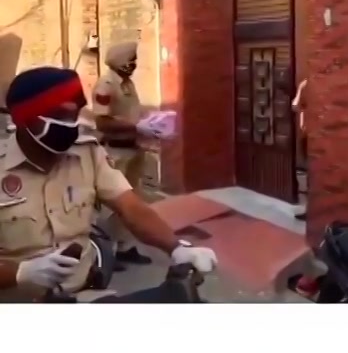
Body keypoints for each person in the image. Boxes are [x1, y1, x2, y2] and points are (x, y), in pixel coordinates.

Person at [0, 66, 217, 303]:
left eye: (74, 116)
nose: (71, 125)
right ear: (25, 119)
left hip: (84, 296)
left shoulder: (87, 154)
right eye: (59, 116)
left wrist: (177, 248)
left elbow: (131, 208)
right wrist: (21, 273)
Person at [91, 40, 151, 267]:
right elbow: (102, 122)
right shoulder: (105, 85)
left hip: (133, 148)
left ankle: (125, 247)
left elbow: (131, 115)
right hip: (115, 151)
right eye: (130, 60)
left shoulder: (128, 84)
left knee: (132, 201)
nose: (133, 64)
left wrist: (149, 125)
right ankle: (106, 251)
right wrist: (137, 127)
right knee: (111, 204)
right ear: (119, 61)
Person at [291, 78, 308, 221]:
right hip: (307, 135)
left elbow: (295, 105)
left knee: (311, 173)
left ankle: (310, 208)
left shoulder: (305, 84)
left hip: (308, 134)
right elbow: (296, 105)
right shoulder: (306, 85)